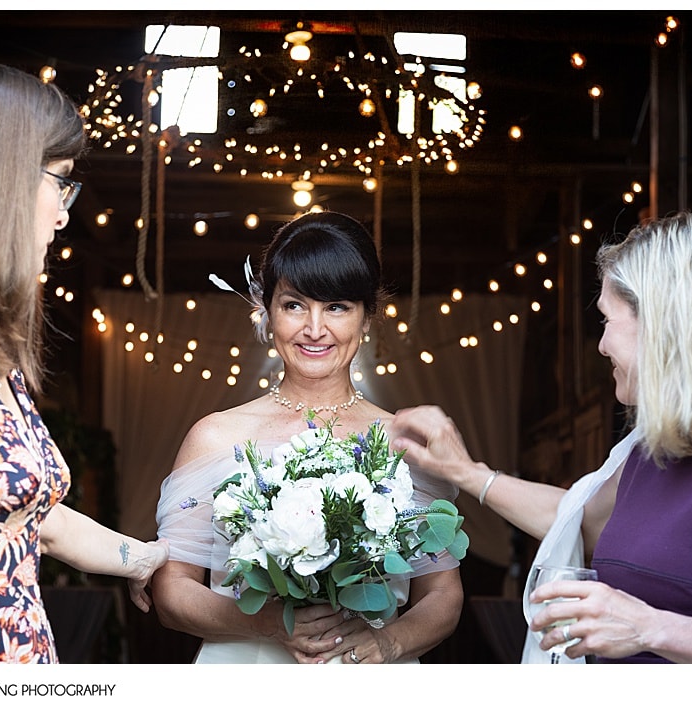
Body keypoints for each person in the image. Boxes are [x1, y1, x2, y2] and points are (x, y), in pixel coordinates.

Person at [392, 211, 692, 663]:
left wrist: (648, 627)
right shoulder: (643, 457)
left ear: (665, 328)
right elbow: (573, 516)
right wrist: (465, 472)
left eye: (606, 320)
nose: (600, 346)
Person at [152, 211, 464, 664]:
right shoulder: (216, 436)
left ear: (367, 318)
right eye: (294, 304)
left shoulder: (405, 443)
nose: (314, 329)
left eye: (337, 306)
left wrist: (387, 642)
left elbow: (442, 596)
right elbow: (171, 588)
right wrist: (263, 622)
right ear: (269, 312)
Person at [0, 63, 169, 664]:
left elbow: (34, 516)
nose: (64, 214)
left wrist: (142, 559)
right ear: (5, 179)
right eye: (59, 183)